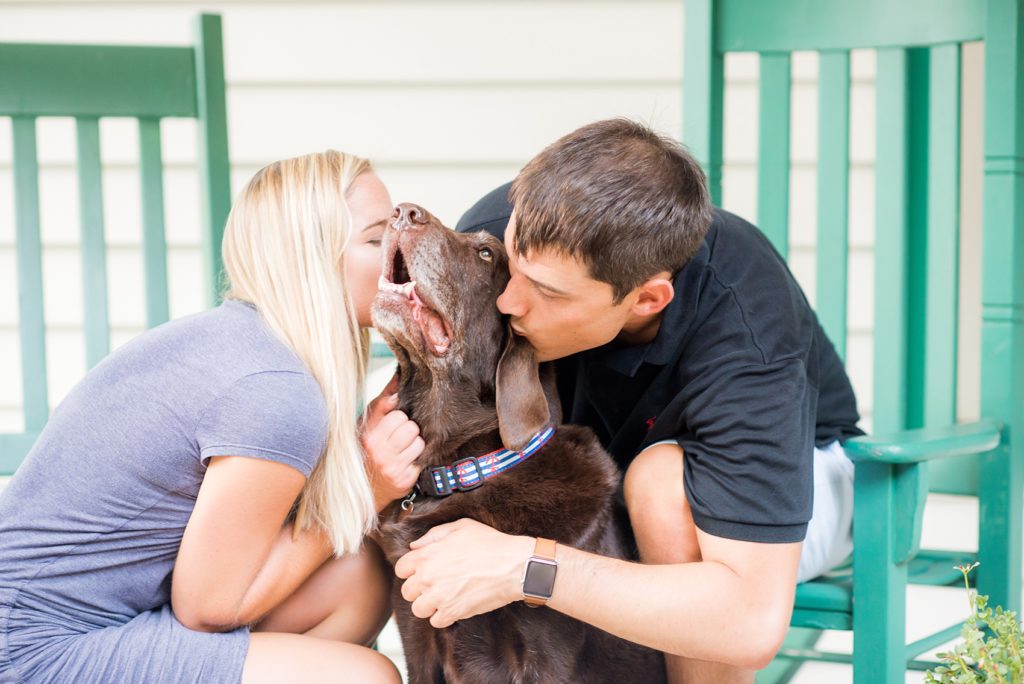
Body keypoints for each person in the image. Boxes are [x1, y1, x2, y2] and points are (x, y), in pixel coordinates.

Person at [391, 119, 863, 683]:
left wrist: (525, 566)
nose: (511, 301)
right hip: (593, 487)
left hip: (787, 495)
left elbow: (748, 623)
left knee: (662, 484)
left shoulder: (746, 334)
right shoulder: (506, 234)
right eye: (512, 263)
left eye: (547, 292)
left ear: (646, 299)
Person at [0, 150, 423, 683]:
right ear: (309, 258)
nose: (399, 253)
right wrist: (367, 484)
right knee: (365, 678)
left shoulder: (247, 344)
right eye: (374, 239)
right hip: (30, 648)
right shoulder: (276, 389)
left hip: (99, 618)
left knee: (359, 577)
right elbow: (206, 608)